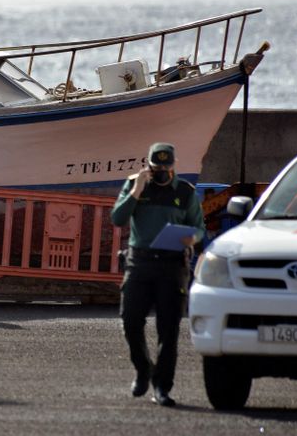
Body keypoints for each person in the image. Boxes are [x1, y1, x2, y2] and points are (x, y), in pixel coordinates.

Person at [111, 142, 204, 407]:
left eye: (166, 166)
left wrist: (190, 237)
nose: (161, 171)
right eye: (156, 166)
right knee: (130, 320)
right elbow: (118, 218)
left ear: (173, 165)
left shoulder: (185, 192)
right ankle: (143, 369)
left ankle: (162, 386)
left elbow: (198, 228)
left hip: (172, 265)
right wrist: (137, 191)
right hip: (139, 263)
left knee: (169, 329)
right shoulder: (134, 185)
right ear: (149, 166)